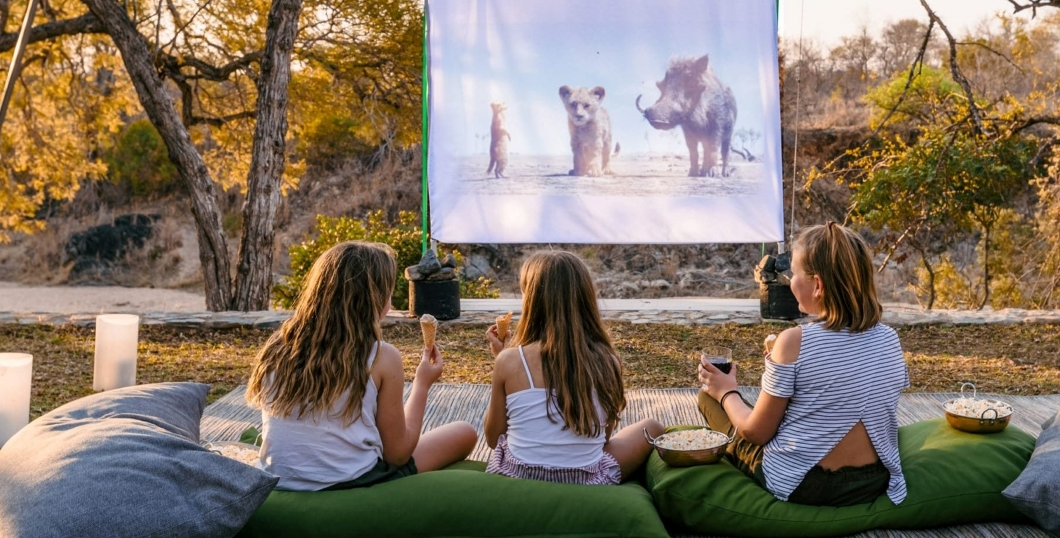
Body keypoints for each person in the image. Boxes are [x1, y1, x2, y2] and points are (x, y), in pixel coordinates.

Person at [696, 222, 910, 507]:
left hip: (807, 484)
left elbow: (757, 433)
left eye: (793, 274)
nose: (789, 281)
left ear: (818, 285)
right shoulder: (889, 338)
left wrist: (726, 391)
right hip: (872, 481)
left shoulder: (794, 341)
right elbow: (845, 391)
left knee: (710, 397)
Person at [246, 241, 477, 491]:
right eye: (388, 292)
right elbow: (397, 454)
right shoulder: (382, 356)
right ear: (375, 300)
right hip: (352, 480)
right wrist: (422, 384)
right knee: (464, 433)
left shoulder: (277, 346)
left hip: (277, 478)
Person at [482, 250, 664, 484]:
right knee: (652, 427)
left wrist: (502, 357)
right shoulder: (608, 362)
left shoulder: (508, 361)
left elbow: (493, 438)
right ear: (586, 299)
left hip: (518, 477)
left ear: (532, 301)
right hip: (586, 482)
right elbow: (603, 438)